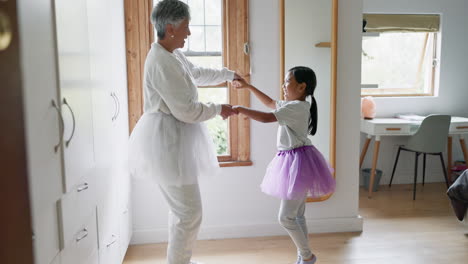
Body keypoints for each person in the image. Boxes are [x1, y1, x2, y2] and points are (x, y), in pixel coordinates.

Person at [129, 1, 238, 263]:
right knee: (189, 213)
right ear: (170, 28)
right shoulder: (160, 61)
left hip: (175, 139)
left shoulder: (172, 54)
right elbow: (186, 110)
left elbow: (195, 73)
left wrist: (229, 75)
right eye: (186, 28)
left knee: (183, 212)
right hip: (167, 143)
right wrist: (218, 109)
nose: (189, 33)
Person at [232, 66, 335, 264]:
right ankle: (304, 255)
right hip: (297, 161)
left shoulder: (296, 107)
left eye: (287, 81)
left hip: (298, 163)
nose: (283, 85)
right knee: (297, 216)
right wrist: (248, 87)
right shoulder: (295, 105)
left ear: (302, 86)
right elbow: (271, 103)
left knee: (286, 217)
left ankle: (307, 256)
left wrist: (240, 109)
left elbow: (266, 117)